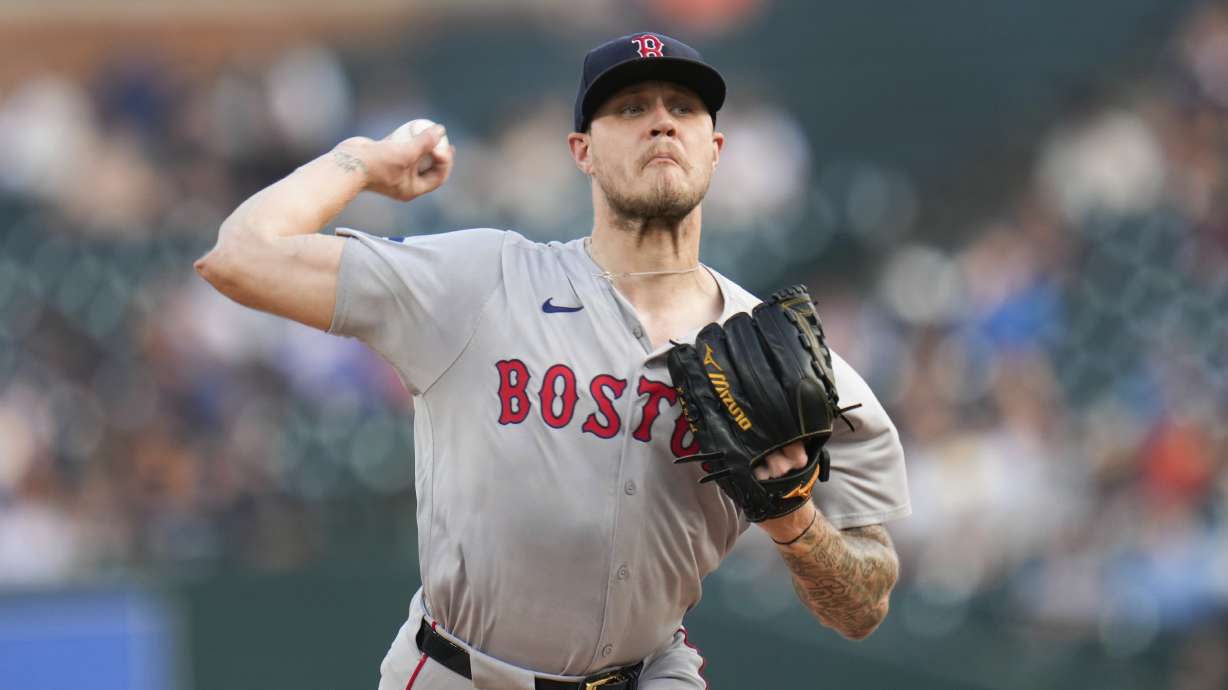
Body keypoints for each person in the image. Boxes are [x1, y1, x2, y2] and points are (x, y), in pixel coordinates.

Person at [195, 31, 910, 690]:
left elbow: (864, 605)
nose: (660, 121)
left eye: (683, 108)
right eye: (629, 107)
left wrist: (795, 525)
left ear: (715, 148)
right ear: (582, 151)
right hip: (462, 673)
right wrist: (360, 161)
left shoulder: (786, 360)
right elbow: (241, 257)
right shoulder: (483, 281)